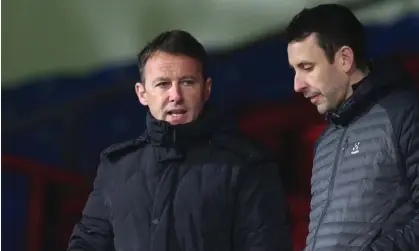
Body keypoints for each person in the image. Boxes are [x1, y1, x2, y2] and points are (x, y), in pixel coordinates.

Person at [67, 30, 292, 251]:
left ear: (206, 89)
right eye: (163, 84)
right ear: (142, 93)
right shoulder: (116, 167)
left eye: (186, 82)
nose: (175, 95)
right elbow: (87, 244)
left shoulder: (247, 166)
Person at [286, 4, 419, 251]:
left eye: (307, 67)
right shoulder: (325, 142)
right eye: (294, 70)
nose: (297, 85)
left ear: (345, 59)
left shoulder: (404, 113)